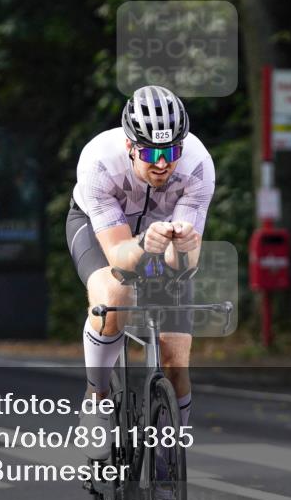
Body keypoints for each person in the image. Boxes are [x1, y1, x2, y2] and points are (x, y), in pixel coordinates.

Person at [66, 85, 214, 459]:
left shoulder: (198, 165)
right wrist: (145, 242)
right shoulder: (99, 162)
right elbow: (119, 256)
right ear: (130, 146)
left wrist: (182, 248)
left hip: (160, 235)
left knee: (176, 356)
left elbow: (184, 266)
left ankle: (169, 457)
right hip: (101, 231)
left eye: (171, 152)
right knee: (114, 295)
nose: (162, 163)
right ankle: (97, 397)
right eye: (150, 153)